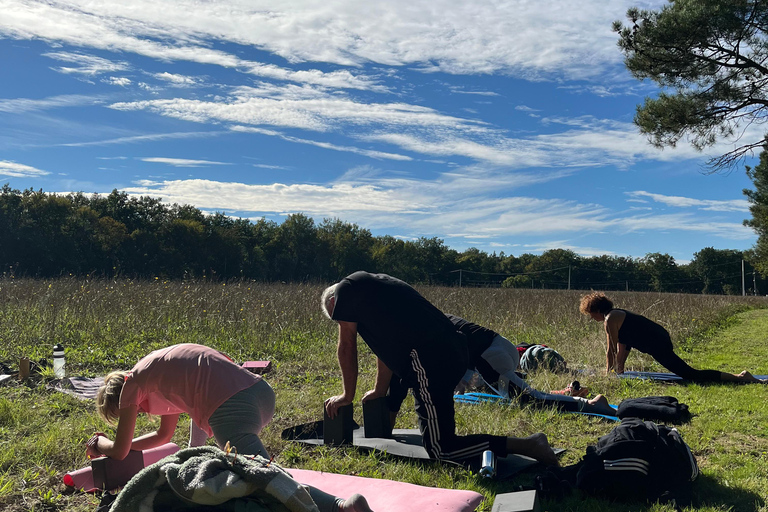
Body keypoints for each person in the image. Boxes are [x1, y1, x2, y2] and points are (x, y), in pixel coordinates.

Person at [89, 343, 373, 512]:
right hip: (258, 392)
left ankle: (340, 506)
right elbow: (164, 436)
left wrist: (98, 443)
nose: (137, 413)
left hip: (231, 405)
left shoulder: (132, 384)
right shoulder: (157, 370)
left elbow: (119, 449)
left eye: (132, 412)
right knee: (242, 466)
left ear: (122, 400)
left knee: (263, 475)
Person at [321, 271, 558, 466]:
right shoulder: (377, 289)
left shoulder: (346, 290)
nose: (342, 322)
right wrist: (379, 391)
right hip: (452, 350)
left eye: (338, 318)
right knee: (442, 436)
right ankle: (526, 444)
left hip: (429, 358)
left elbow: (346, 346)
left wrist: (346, 395)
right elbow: (385, 352)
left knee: (440, 449)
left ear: (334, 303)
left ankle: (529, 444)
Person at [445, 314, 616, 416]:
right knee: (510, 393)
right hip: (502, 346)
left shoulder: (429, 325)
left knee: (530, 400)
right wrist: (462, 383)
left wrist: (459, 382)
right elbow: (463, 345)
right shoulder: (439, 317)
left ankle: (591, 404)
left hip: (491, 356)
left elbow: (458, 349)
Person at [579, 291, 766, 384]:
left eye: (590, 314)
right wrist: (618, 369)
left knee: (691, 375)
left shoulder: (610, 318)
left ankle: (741, 377)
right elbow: (623, 345)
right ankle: (741, 377)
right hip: (659, 338)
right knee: (688, 373)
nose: (590, 318)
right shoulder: (616, 316)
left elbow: (610, 348)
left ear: (596, 310)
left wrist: (607, 374)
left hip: (657, 343)